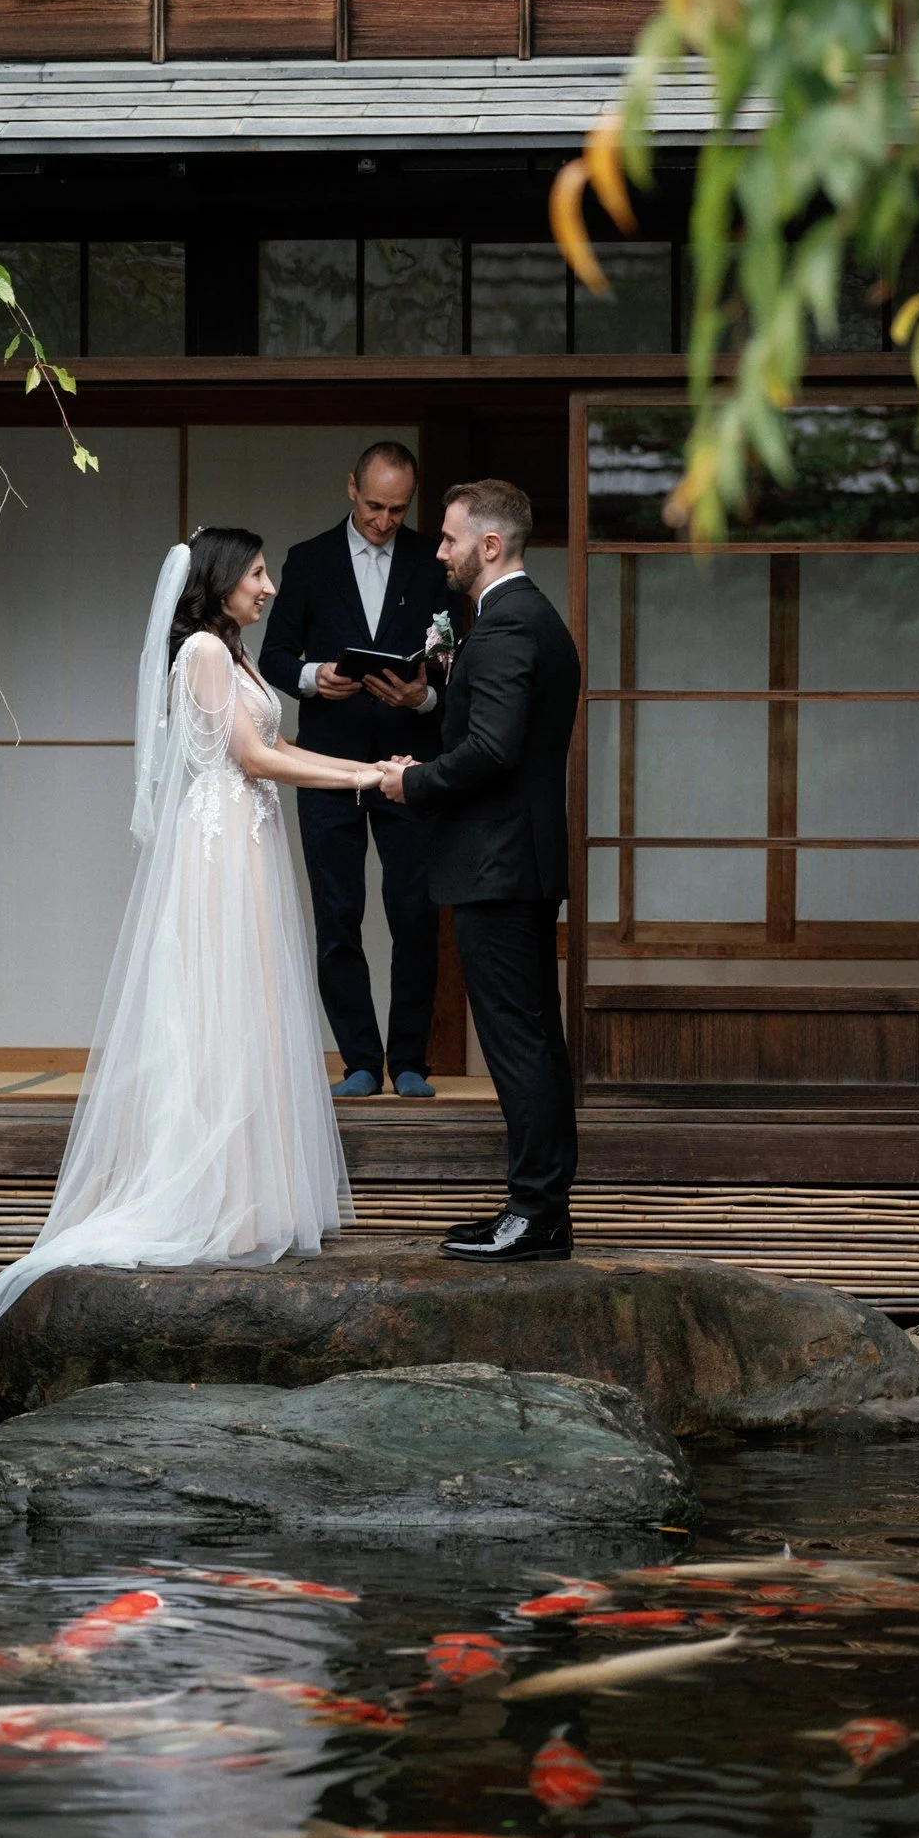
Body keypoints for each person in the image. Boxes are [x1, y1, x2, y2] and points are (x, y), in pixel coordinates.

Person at [0, 529, 378, 1359]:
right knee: (216, 1010)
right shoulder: (205, 656)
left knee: (248, 1010)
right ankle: (206, 1193)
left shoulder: (238, 655)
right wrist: (362, 777)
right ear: (220, 583)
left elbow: (279, 748)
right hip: (221, 849)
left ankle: (246, 1197)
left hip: (247, 841)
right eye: (257, 573)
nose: (270, 586)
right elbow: (252, 756)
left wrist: (360, 771)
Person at [378, 479, 581, 1263]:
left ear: (489, 546)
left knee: (517, 1044)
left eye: (449, 539)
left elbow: (494, 751)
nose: (438, 552)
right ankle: (541, 1211)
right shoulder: (535, 620)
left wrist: (412, 781)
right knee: (534, 1039)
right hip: (517, 862)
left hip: (497, 867)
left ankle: (533, 1214)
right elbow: (501, 739)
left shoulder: (503, 628)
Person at [260, 441, 463, 1100]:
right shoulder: (308, 560)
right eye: (374, 506)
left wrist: (425, 696)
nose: (383, 520)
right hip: (327, 763)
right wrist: (313, 678)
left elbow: (449, 660)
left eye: (396, 510)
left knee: (413, 911)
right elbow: (273, 658)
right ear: (351, 489)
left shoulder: (433, 563)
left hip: (410, 763)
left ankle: (408, 1060)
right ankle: (356, 1060)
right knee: (337, 911)